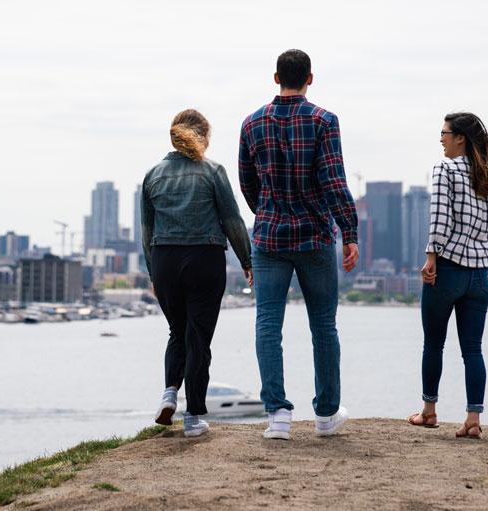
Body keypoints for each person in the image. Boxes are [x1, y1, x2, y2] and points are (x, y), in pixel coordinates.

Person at [238, 49, 359, 440]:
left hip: (269, 236)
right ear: (311, 78)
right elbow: (334, 181)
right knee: (323, 325)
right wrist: (349, 233)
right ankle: (325, 416)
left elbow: (247, 182)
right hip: (315, 236)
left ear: (276, 78)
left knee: (267, 324)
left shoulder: (251, 123)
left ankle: (277, 416)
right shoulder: (324, 121)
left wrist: (268, 211)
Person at [407, 113, 488, 439]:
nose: (441, 139)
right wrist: (483, 263)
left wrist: (432, 256)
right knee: (473, 350)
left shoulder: (444, 170)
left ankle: (429, 412)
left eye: (444, 133)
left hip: (447, 269)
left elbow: (440, 217)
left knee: (433, 343)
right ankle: (473, 419)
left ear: (460, 137)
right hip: (480, 275)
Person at [142, 108, 252, 438]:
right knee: (198, 337)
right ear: (203, 136)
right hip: (204, 259)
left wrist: (153, 276)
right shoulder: (212, 171)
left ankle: (168, 394)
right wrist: (247, 261)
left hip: (164, 261)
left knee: (178, 331)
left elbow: (147, 233)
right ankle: (193, 417)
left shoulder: (152, 175)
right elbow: (233, 220)